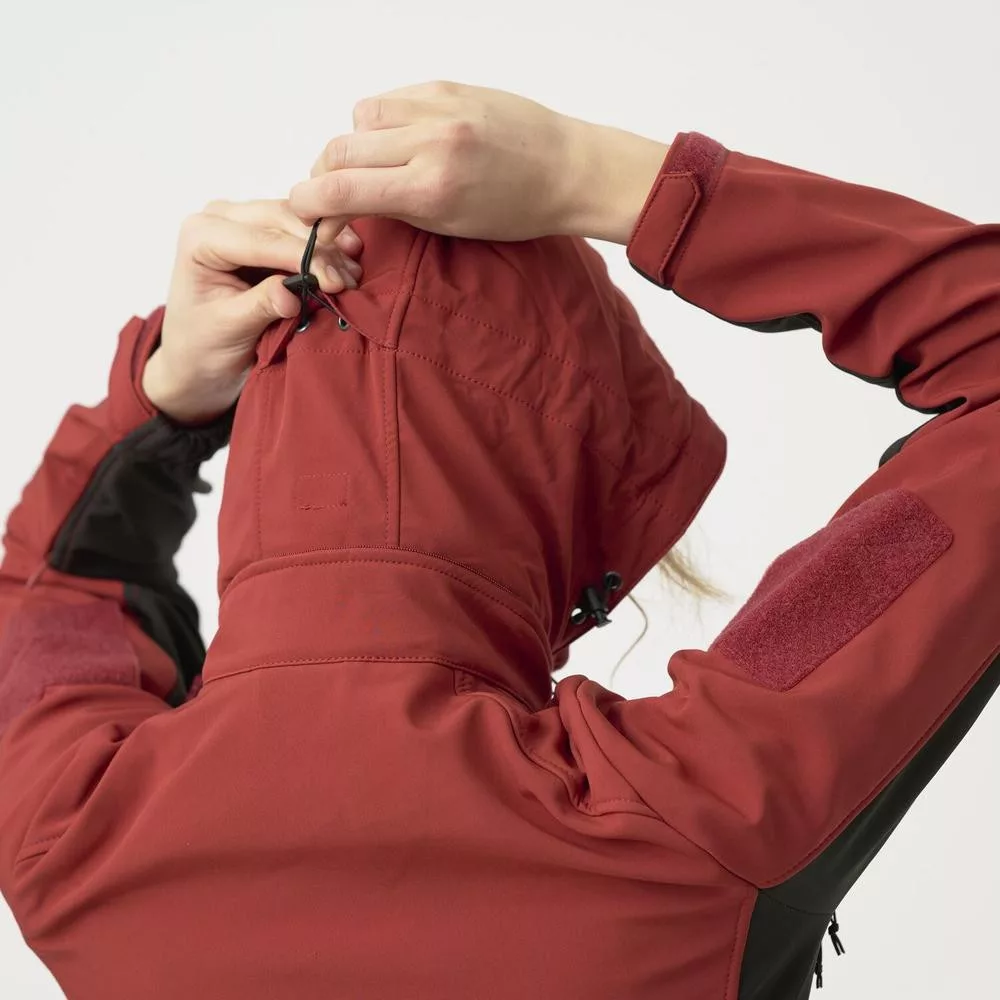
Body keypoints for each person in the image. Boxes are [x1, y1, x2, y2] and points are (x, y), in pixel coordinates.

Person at [0, 79, 997, 1000]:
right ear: (572, 490)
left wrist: (166, 394)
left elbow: (48, 595)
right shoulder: (702, 810)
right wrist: (609, 179)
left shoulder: (73, 839)